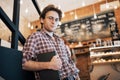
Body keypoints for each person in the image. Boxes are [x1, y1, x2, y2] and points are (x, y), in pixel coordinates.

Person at [22, 4, 80, 80]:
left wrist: (77, 77)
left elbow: (69, 62)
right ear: (42, 20)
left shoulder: (60, 40)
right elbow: (25, 64)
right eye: (50, 18)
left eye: (56, 20)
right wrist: (49, 65)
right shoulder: (35, 37)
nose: (54, 22)